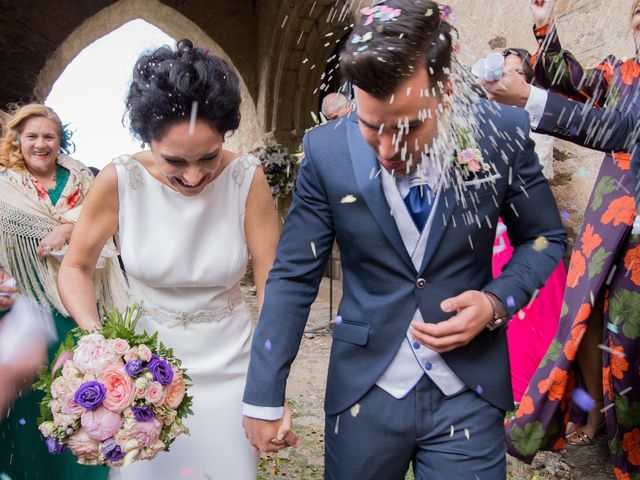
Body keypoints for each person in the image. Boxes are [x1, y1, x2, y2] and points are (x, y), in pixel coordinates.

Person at [241, 1, 567, 478]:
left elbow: (544, 237)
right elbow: (293, 275)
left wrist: (497, 302)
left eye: (410, 127)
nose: (389, 151)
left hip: (468, 396)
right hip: (363, 394)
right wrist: (264, 393)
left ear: (448, 93)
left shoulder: (502, 134)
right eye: (372, 128)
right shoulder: (326, 150)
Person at [57, 39, 294, 479]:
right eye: (175, 162)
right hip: (143, 374)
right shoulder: (118, 180)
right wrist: (97, 341)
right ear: (146, 138)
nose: (194, 176)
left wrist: (270, 385)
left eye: (208, 157)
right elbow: (75, 267)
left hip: (232, 369)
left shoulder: (247, 178)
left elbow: (273, 283)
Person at [484, 1, 640, 477]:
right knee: (594, 331)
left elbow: (618, 129)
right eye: (637, 11)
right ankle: (607, 432)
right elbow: (572, 79)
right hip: (614, 235)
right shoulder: (621, 72)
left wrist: (528, 99)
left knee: (628, 347)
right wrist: (546, 24)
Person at [0, 104, 126, 480]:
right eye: (32, 137)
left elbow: (109, 221)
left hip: (80, 310)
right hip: (26, 315)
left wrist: (71, 226)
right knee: (29, 414)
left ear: (60, 141)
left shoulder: (85, 182)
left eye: (48, 136)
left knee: (82, 408)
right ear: (18, 142)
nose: (40, 144)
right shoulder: (4, 189)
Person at [490, 47, 568, 403]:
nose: (508, 76)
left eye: (517, 71)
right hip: (492, 232)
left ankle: (538, 387)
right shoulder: (483, 122)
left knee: (536, 309)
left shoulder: (537, 124)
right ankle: (502, 378)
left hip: (525, 230)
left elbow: (537, 183)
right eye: (503, 70)